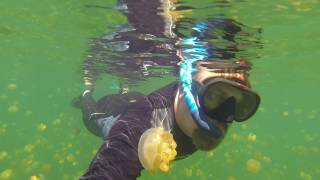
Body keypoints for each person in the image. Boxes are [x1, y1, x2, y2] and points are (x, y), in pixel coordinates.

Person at [75, 0, 261, 179]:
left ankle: (125, 89)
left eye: (240, 104)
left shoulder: (198, 116)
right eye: (213, 95)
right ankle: (87, 92)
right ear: (185, 86)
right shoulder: (141, 125)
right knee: (93, 116)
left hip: (136, 101)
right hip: (109, 112)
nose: (225, 118)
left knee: (132, 97)